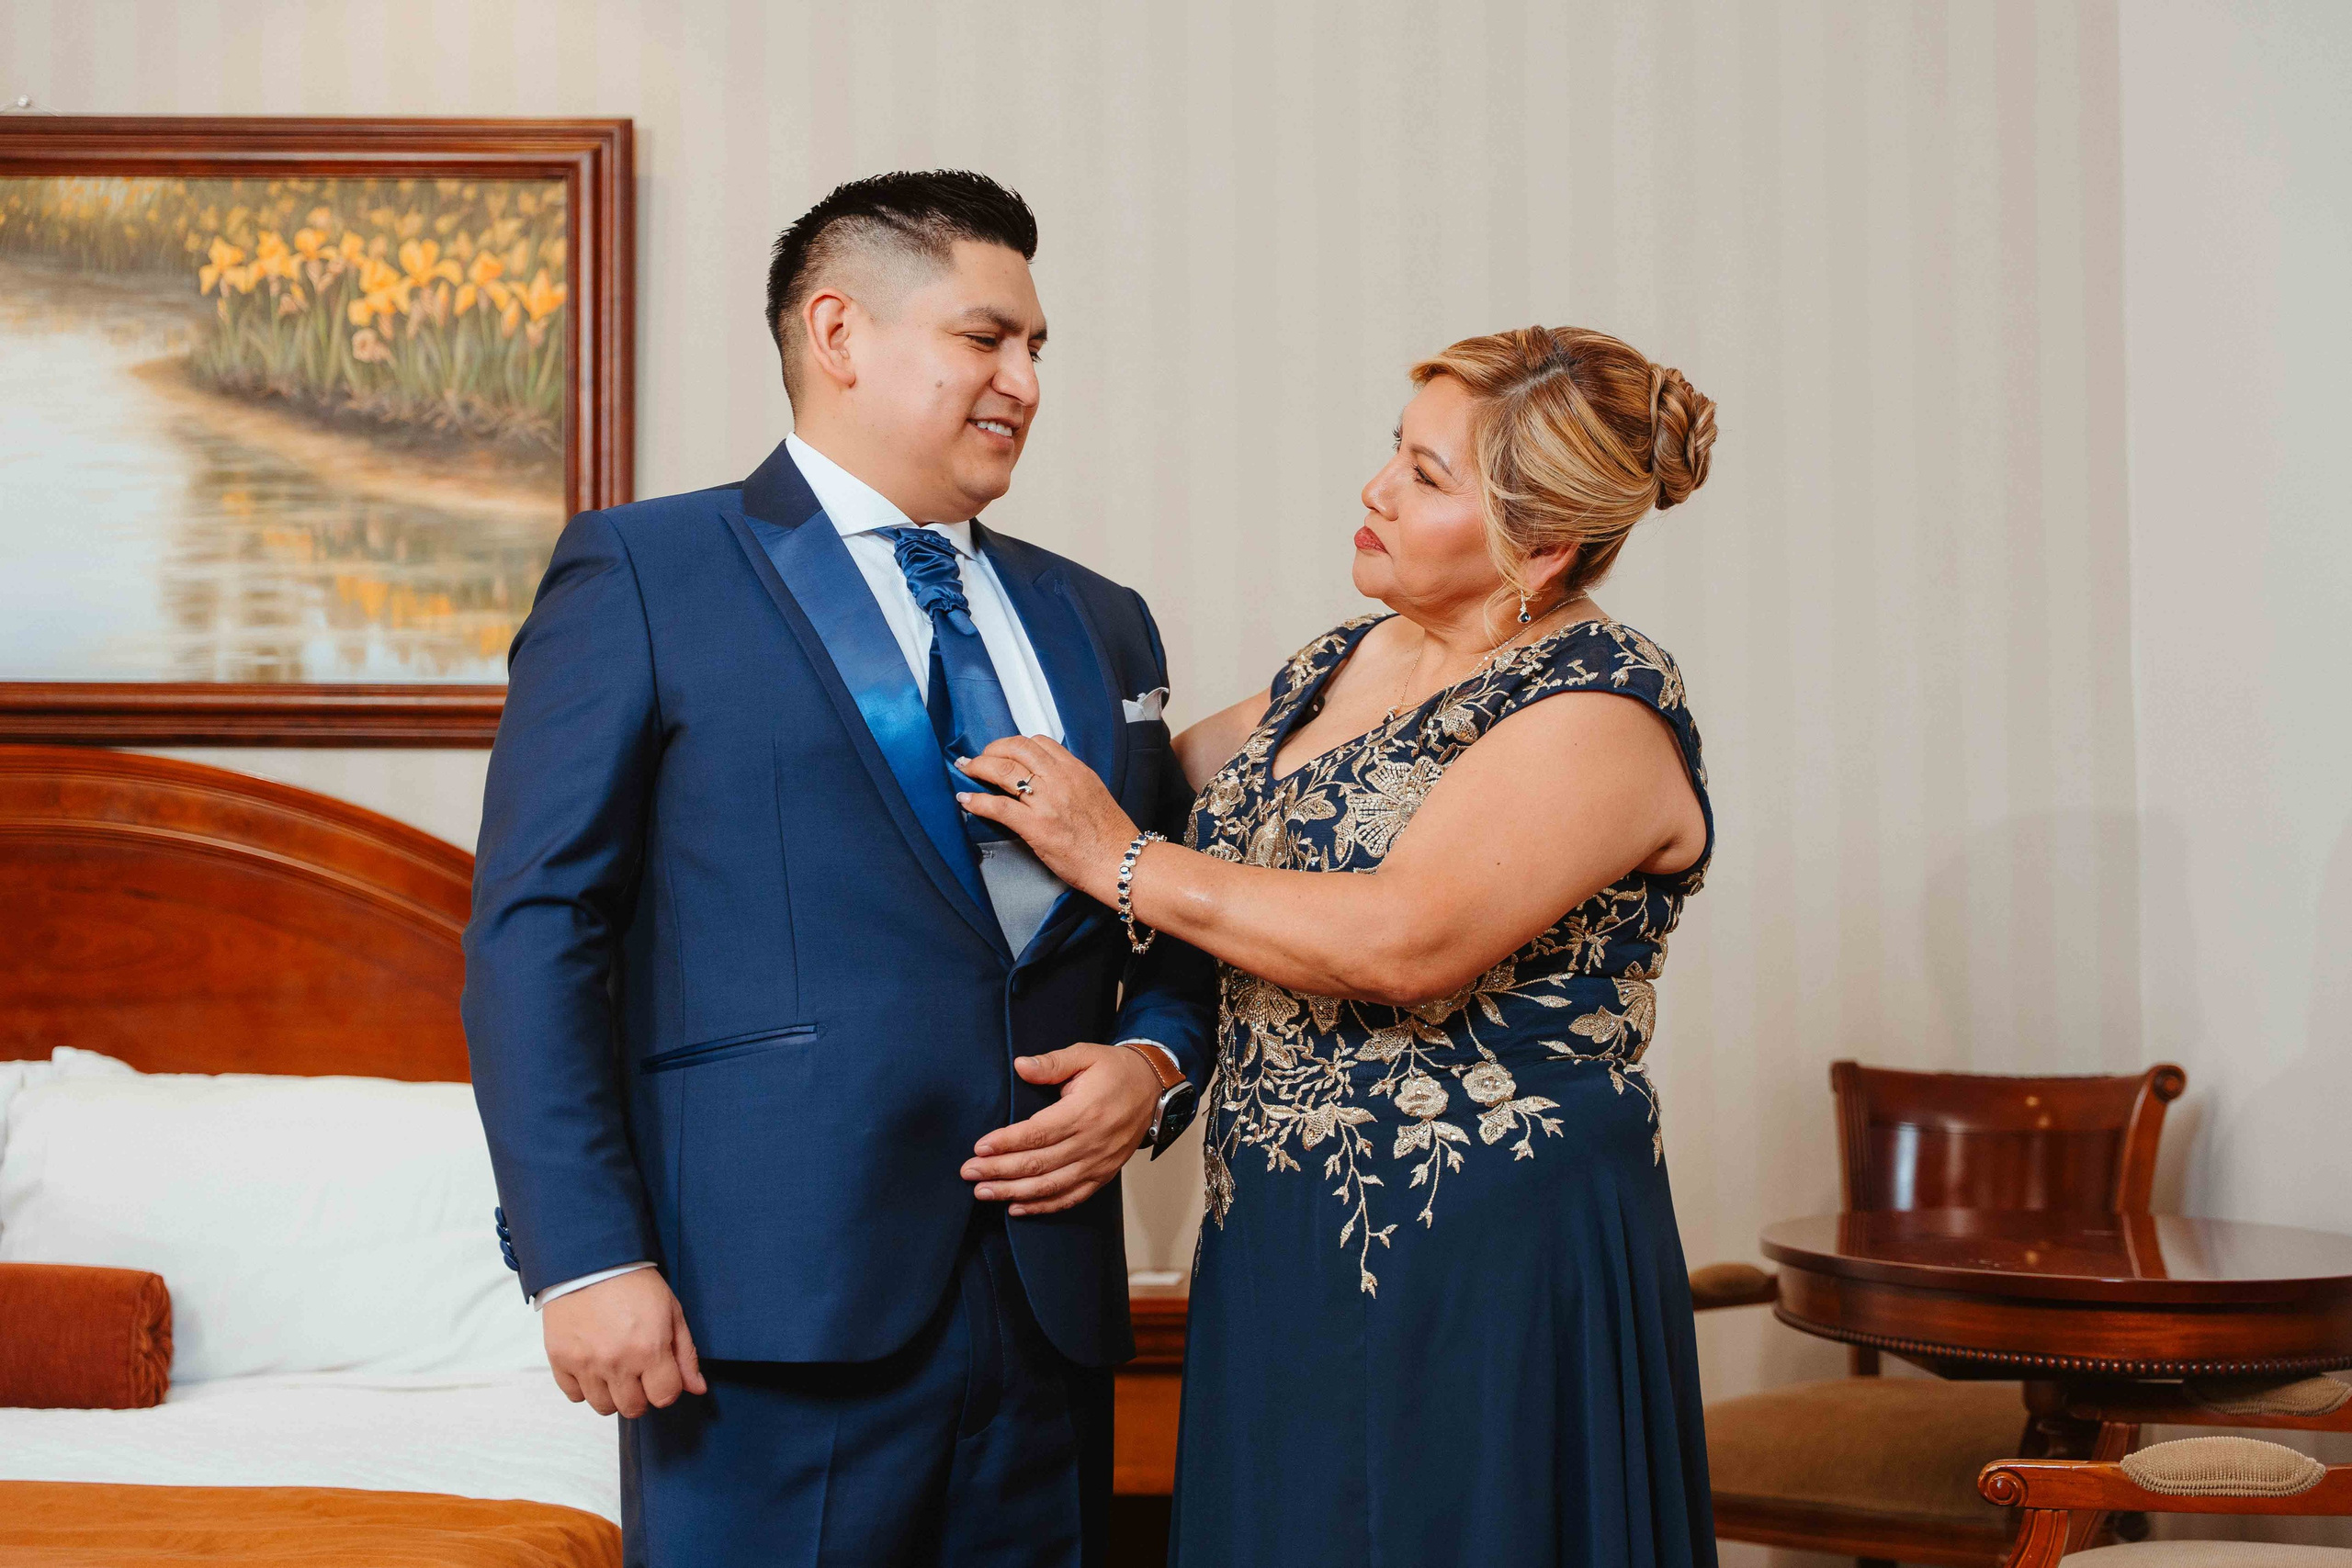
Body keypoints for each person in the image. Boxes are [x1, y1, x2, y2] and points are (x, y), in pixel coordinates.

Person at [463, 171, 1215, 1568]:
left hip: (1047, 1301)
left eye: (1039, 348)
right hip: (762, 1299)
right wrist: (586, 1256)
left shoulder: (1099, 618)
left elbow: (1161, 895)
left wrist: (1153, 1064)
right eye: (987, 338)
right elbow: (535, 927)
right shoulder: (642, 569)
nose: (1026, 381)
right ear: (838, 332)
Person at [957, 324, 1723, 1567]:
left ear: (1543, 544)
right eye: (1393, 452)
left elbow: (1401, 940)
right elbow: (1138, 786)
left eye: (1427, 476)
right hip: (1281, 1234)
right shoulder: (1342, 662)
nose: (1376, 489)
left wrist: (1121, 862)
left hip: (1487, 1253)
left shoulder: (1601, 704)